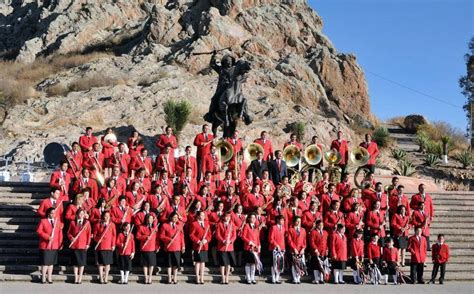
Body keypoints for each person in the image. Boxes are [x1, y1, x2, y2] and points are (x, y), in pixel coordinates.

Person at [36, 207, 63, 284]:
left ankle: (49, 277)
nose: (53, 214)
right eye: (52, 213)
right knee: (45, 262)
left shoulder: (57, 222)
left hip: (54, 245)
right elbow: (39, 231)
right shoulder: (43, 221)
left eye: (54, 213)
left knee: (51, 263)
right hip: (45, 244)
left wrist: (60, 243)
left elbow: (60, 233)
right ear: (48, 213)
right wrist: (47, 237)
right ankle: (43, 277)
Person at [67, 209, 91, 284]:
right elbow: (68, 233)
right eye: (80, 214)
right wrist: (71, 238)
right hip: (75, 245)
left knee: (82, 263)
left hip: (83, 245)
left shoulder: (87, 223)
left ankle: (80, 278)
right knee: (75, 263)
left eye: (82, 214)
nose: (81, 215)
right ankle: (76, 277)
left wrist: (88, 244)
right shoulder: (72, 222)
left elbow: (89, 234)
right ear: (77, 215)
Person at [160, 213, 185, 284]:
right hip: (169, 247)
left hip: (177, 247)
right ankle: (169, 278)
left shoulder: (179, 226)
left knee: (176, 264)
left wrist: (183, 246)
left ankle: (175, 277)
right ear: (170, 218)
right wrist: (168, 239)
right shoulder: (165, 225)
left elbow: (182, 237)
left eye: (177, 217)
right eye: (174, 217)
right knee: (169, 264)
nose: (176, 219)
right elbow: (161, 236)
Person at [93, 211, 116, 284]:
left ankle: (106, 277)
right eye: (105, 216)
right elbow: (94, 235)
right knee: (100, 263)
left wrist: (113, 245)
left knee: (107, 263)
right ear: (103, 216)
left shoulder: (112, 225)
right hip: (101, 246)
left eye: (108, 216)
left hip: (108, 246)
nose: (107, 217)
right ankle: (101, 277)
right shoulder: (98, 225)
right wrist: (97, 239)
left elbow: (114, 236)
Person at [189, 211, 212, 284]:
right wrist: (198, 241)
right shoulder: (194, 224)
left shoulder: (207, 224)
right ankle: (197, 277)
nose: (203, 216)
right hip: (197, 246)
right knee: (198, 262)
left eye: (204, 215)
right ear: (198, 216)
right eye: (202, 215)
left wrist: (206, 240)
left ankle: (202, 277)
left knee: (203, 262)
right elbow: (191, 235)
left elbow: (209, 235)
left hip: (204, 245)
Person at [136, 214, 159, 284]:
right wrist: (145, 237)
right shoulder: (141, 227)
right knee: (145, 264)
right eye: (149, 219)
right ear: (146, 219)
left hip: (152, 247)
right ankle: (146, 277)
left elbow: (157, 238)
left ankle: (150, 277)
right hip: (144, 247)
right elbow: (138, 236)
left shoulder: (155, 228)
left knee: (151, 264)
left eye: (152, 219)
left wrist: (157, 246)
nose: (150, 220)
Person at [216, 211, 237, 284]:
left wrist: (230, 241)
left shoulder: (232, 225)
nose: (227, 218)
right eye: (226, 216)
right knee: (222, 263)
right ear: (223, 217)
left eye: (228, 216)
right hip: (222, 246)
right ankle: (222, 277)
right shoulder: (219, 224)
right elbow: (218, 235)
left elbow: (234, 235)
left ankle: (227, 277)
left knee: (228, 263)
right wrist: (223, 241)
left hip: (230, 246)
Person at [241, 213, 261, 284]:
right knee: (248, 263)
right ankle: (248, 277)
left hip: (255, 248)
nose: (253, 219)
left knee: (254, 263)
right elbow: (243, 236)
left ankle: (252, 277)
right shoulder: (246, 226)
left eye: (254, 218)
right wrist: (250, 242)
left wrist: (259, 245)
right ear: (249, 219)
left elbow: (258, 237)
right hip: (248, 247)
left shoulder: (256, 226)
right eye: (252, 218)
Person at [288, 216, 307, 284]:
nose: (299, 223)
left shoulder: (303, 230)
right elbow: (290, 241)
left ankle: (298, 278)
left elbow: (304, 240)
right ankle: (295, 278)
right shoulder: (291, 229)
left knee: (300, 264)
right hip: (294, 250)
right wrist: (294, 248)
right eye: (297, 221)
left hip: (301, 250)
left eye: (300, 221)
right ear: (294, 222)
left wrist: (303, 248)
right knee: (294, 264)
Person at [309, 220, 328, 284]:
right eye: (319, 225)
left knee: (322, 266)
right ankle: (316, 279)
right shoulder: (313, 232)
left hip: (323, 251)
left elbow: (326, 242)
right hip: (316, 252)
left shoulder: (325, 232)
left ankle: (322, 279)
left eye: (322, 225)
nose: (321, 226)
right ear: (316, 225)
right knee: (316, 266)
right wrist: (315, 249)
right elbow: (312, 242)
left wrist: (327, 249)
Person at [268, 215, 286, 284]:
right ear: (278, 220)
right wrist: (276, 245)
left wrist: (283, 247)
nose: (283, 221)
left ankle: (277, 278)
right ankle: (273, 277)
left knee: (279, 263)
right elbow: (271, 239)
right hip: (274, 248)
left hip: (281, 248)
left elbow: (283, 239)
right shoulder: (273, 227)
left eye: (283, 220)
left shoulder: (283, 228)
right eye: (281, 220)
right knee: (273, 263)